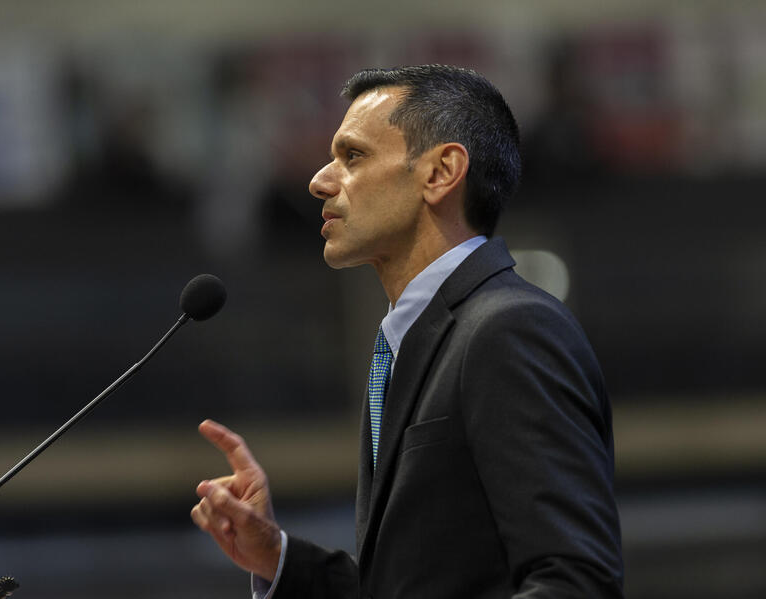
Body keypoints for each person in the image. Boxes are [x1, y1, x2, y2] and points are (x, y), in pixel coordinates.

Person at [191, 65, 624, 598]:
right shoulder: (418, 338)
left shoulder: (509, 330)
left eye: (353, 157)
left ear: (441, 171)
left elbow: (575, 583)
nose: (319, 180)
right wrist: (277, 558)